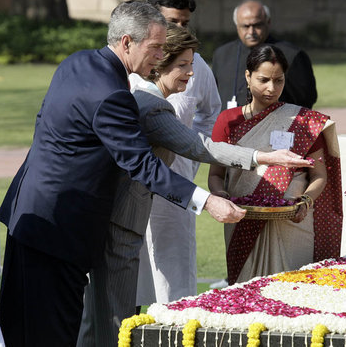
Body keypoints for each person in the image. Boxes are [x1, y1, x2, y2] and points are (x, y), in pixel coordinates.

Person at [0, 0, 249, 347]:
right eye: (156, 46)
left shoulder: (76, 63)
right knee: (51, 334)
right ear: (127, 42)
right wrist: (207, 202)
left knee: (21, 328)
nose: (161, 56)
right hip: (60, 231)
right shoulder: (113, 94)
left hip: (27, 216)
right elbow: (142, 164)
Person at [76, 24, 312, 347]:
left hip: (107, 219)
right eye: (183, 65)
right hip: (118, 223)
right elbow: (202, 146)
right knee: (111, 321)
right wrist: (261, 157)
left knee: (99, 320)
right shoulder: (153, 105)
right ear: (159, 64)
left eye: (193, 64)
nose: (192, 74)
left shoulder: (143, 96)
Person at [209, 44, 343, 285]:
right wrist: (221, 196)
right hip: (243, 220)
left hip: (293, 223)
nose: (271, 88)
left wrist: (305, 202)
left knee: (294, 292)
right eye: (263, 80)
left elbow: (319, 175)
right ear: (248, 77)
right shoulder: (228, 120)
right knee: (246, 293)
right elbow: (216, 174)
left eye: (278, 80)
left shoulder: (303, 122)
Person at [138, 0, 221, 305]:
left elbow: (210, 113)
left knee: (173, 270)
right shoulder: (130, 65)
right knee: (125, 273)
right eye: (172, 21)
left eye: (185, 22)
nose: (178, 28)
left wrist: (190, 155)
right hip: (127, 184)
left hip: (177, 184)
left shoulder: (196, 64)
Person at [212, 0, 318, 111]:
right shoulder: (222, 54)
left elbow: (305, 100)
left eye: (257, 25)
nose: (251, 32)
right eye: (245, 26)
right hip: (230, 125)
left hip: (277, 125)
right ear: (237, 25)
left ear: (268, 22)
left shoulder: (291, 55)